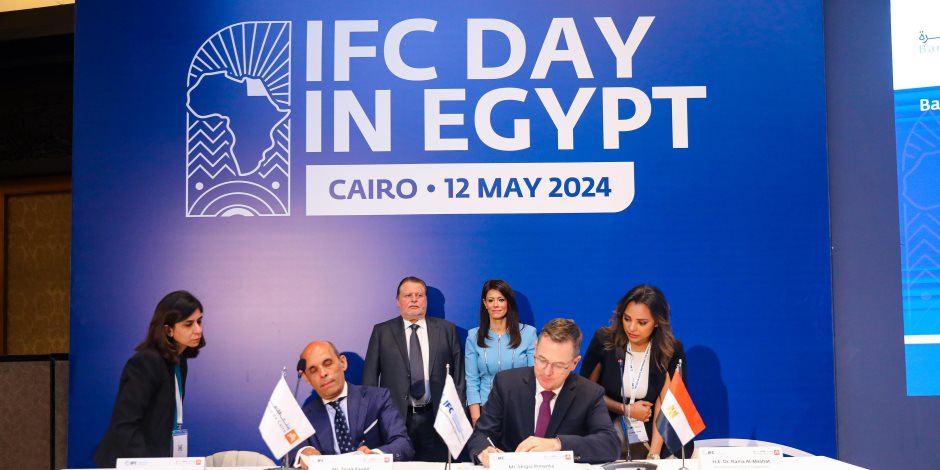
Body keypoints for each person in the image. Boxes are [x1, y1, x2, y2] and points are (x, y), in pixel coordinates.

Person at [467, 318, 619, 467]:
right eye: (542, 360)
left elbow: (610, 444)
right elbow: (481, 434)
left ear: (574, 363)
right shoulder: (506, 384)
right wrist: (484, 452)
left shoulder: (589, 393)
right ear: (535, 349)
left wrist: (557, 444)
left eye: (558, 365)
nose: (547, 372)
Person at [579, 284, 693, 460]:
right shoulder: (605, 341)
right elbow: (586, 393)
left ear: (657, 322)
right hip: (607, 429)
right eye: (627, 319)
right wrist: (626, 409)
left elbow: (667, 404)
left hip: (651, 435)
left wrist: (654, 454)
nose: (632, 328)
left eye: (642, 323)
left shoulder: (670, 350)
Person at [93, 291, 206, 468]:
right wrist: (149, 465)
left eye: (199, 321)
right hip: (129, 461)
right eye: (188, 324)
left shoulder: (180, 362)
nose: (198, 330)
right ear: (168, 330)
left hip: (155, 459)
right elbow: (125, 424)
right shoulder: (146, 361)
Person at [362, 276, 465, 461]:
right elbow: (369, 380)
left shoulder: (447, 330)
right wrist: (374, 420)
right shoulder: (382, 332)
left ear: (426, 300)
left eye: (419, 295)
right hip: (394, 421)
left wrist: (456, 416)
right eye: (408, 295)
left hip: (437, 419)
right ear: (398, 301)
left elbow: (459, 377)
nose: (414, 300)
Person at [290, 341, 413, 468]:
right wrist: (303, 453)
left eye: (328, 363)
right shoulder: (304, 416)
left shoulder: (378, 398)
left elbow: (403, 444)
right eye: (313, 370)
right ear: (306, 378)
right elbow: (291, 450)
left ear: (342, 363)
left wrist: (375, 456)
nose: (323, 373)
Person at [465, 279, 537, 425]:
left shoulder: (529, 333)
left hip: (521, 410)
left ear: (508, 302)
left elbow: (535, 377)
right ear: (485, 304)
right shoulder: (473, 336)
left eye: (501, 299)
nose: (496, 305)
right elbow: (472, 380)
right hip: (486, 411)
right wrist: (476, 418)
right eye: (491, 300)